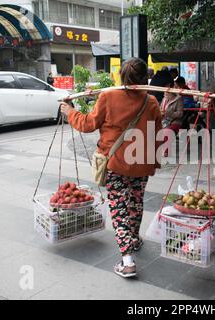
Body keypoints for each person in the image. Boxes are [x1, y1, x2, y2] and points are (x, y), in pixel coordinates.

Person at [60, 58, 163, 278]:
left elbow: (87, 124)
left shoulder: (108, 96)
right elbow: (158, 135)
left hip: (115, 162)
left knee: (119, 207)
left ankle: (127, 261)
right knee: (135, 201)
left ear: (120, 76)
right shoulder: (151, 101)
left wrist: (70, 112)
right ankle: (133, 239)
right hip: (141, 164)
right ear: (145, 78)